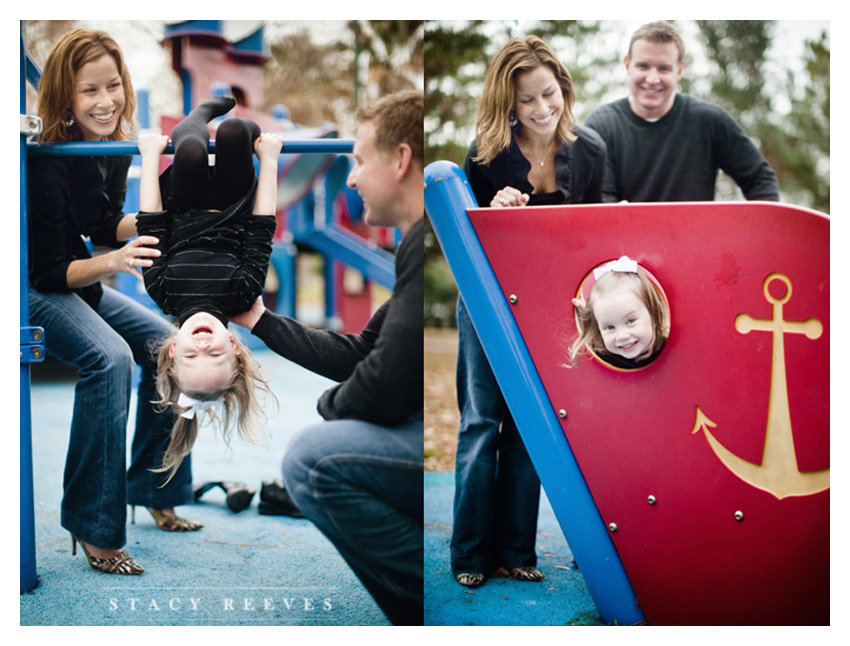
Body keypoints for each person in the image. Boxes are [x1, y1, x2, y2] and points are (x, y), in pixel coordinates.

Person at [230, 89, 424, 625]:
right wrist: (259, 321)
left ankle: (431, 606)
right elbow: (364, 352)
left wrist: (332, 406)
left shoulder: (424, 240)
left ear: (401, 160)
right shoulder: (420, 237)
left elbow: (383, 384)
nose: (353, 177)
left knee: (311, 459)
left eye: (360, 160)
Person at [27, 29, 199, 575]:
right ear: (65, 97)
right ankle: (92, 523)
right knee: (110, 359)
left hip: (75, 278)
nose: (106, 101)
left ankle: (150, 487)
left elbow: (104, 226)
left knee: (166, 347)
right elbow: (49, 269)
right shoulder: (45, 157)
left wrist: (161, 223)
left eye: (113, 85)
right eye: (89, 92)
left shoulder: (108, 147)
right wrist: (116, 261)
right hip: (31, 286)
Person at [453, 36, 607, 589]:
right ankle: (470, 555)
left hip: (548, 301)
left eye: (550, 95)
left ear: (563, 88)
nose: (542, 110)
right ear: (509, 106)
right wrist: (491, 210)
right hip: (488, 300)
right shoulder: (485, 156)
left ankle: (517, 552)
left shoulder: (588, 149)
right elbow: (467, 237)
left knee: (528, 427)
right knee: (481, 422)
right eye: (527, 102)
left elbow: (596, 228)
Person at [135, 96, 282, 483]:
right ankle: (224, 125)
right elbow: (261, 231)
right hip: (235, 205)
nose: (202, 349)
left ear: (171, 350)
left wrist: (150, 158)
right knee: (235, 133)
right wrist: (269, 161)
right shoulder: (243, 294)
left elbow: (150, 225)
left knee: (189, 153)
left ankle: (197, 117)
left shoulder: (162, 292)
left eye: (190, 358)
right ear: (234, 346)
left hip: (183, 204)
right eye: (214, 355)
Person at [585, 20, 780, 203]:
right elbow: (602, 202)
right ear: (627, 65)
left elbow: (759, 179)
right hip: (629, 238)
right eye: (643, 66)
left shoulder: (708, 120)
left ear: (679, 71)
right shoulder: (601, 126)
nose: (652, 79)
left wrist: (761, 234)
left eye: (663, 69)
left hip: (695, 239)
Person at [569, 256, 669, 370]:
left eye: (630, 321)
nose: (622, 336)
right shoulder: (602, 354)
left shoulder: (671, 346)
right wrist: (586, 318)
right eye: (610, 327)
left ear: (652, 311)